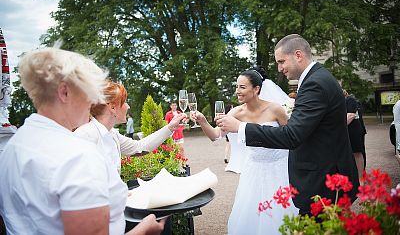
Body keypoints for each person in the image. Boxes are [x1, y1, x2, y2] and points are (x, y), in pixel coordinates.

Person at [0, 47, 165, 234]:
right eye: (89, 91)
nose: (93, 101)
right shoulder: (78, 155)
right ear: (64, 92)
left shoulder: (13, 146)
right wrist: (144, 230)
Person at [216, 34, 360, 215]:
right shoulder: (319, 77)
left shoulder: (314, 84)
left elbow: (292, 135)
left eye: (282, 61)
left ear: (298, 55)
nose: (279, 68)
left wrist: (240, 127)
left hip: (324, 181)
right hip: (328, 173)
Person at [191, 66, 298, 235]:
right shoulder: (236, 112)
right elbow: (215, 136)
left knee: (279, 211)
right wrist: (203, 121)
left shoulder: (275, 109)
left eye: (242, 87)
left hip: (279, 169)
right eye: (236, 87)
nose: (237, 91)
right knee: (251, 212)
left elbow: (291, 136)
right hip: (253, 171)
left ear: (256, 89)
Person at [74, 81, 186, 174]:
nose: (128, 106)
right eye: (124, 102)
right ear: (113, 107)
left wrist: (170, 127)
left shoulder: (112, 134)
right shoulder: (85, 135)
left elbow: (140, 147)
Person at [343, 89, 366, 179]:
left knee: (357, 153)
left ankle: (361, 178)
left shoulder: (350, 100)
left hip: (353, 130)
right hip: (347, 130)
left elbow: (351, 115)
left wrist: (338, 126)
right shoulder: (339, 102)